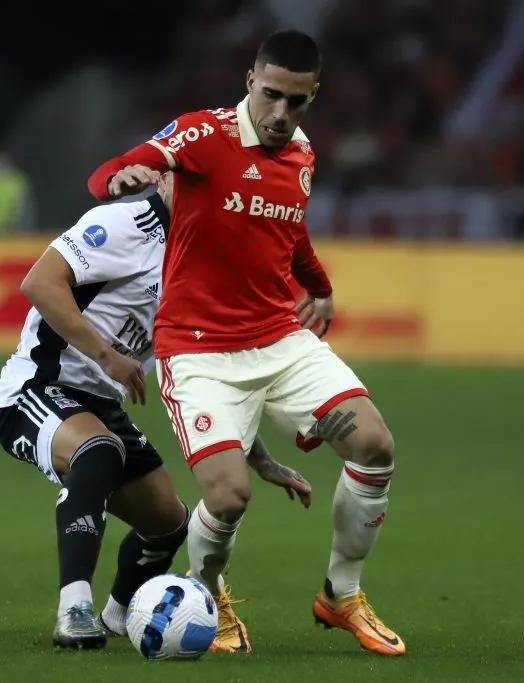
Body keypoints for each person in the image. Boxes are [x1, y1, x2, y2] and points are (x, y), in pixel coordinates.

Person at [87, 30, 405, 656]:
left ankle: (341, 594)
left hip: (278, 337)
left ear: (313, 97)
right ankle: (206, 596)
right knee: (229, 497)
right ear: (250, 81)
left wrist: (319, 286)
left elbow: (289, 229)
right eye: (271, 96)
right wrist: (129, 176)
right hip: (198, 349)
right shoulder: (205, 135)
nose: (282, 114)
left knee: (374, 444)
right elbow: (111, 172)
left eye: (297, 101)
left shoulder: (303, 153)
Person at [0, 172, 312, 650]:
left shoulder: (202, 263)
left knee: (168, 525)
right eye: (186, 180)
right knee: (98, 453)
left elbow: (203, 376)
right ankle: (73, 610)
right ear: (163, 180)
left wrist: (260, 459)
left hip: (103, 404)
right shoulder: (126, 223)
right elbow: (40, 282)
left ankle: (121, 618)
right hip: (38, 387)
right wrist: (106, 355)